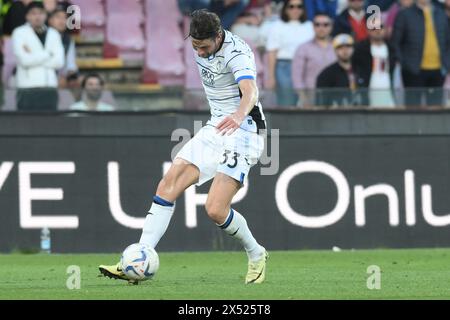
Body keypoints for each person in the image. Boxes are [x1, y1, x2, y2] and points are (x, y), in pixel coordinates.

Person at [99, 9, 268, 285]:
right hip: (217, 127)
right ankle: (139, 257)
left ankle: (256, 252)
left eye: (204, 47)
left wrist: (238, 115)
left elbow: (250, 91)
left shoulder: (238, 53)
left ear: (218, 36)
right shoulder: (202, 44)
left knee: (215, 209)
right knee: (168, 184)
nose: (199, 52)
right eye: (194, 46)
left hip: (245, 131)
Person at [392, 0, 450, 107]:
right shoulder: (405, 14)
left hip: (438, 70)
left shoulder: (441, 14)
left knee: (436, 109)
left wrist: (446, 63)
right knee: (413, 109)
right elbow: (395, 42)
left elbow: (447, 42)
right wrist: (405, 63)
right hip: (413, 70)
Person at [12, 1, 64, 111]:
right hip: (27, 88)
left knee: (49, 125)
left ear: (45, 15)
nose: (37, 16)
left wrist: (33, 55)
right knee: (25, 124)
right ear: (27, 16)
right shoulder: (19, 33)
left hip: (49, 87)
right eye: (33, 13)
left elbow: (59, 62)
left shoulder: (53, 33)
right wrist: (49, 54)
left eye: (40, 13)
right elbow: (24, 60)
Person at [266, 0, 314, 106]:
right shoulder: (277, 26)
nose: (295, 10)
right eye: (291, 6)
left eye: (299, 6)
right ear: (285, 9)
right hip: (285, 66)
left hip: (307, 67)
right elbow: (272, 52)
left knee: (309, 103)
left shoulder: (310, 25)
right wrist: (271, 77)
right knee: (287, 103)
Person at [292, 12, 336, 107]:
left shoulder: (338, 47)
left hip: (335, 97)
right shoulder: (303, 48)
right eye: (317, 24)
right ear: (313, 26)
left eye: (325, 24)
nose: (321, 28)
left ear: (331, 26)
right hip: (311, 98)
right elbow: (297, 77)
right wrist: (303, 98)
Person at [352, 19, 396, 107]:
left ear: (385, 29)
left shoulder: (392, 49)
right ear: (368, 30)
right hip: (368, 92)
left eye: (381, 27)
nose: (378, 30)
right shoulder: (360, 49)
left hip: (388, 91)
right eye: (374, 28)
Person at [316, 34, 364, 107]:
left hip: (358, 112)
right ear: (335, 50)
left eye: (348, 47)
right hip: (336, 113)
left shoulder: (360, 70)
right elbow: (321, 100)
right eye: (340, 47)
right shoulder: (327, 74)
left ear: (353, 48)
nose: (345, 51)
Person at [47, 5, 78, 87]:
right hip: (44, 74)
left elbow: (71, 64)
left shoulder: (67, 39)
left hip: (61, 76)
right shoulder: (44, 36)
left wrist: (71, 76)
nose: (61, 21)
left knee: (77, 81)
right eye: (58, 17)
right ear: (50, 20)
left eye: (65, 18)